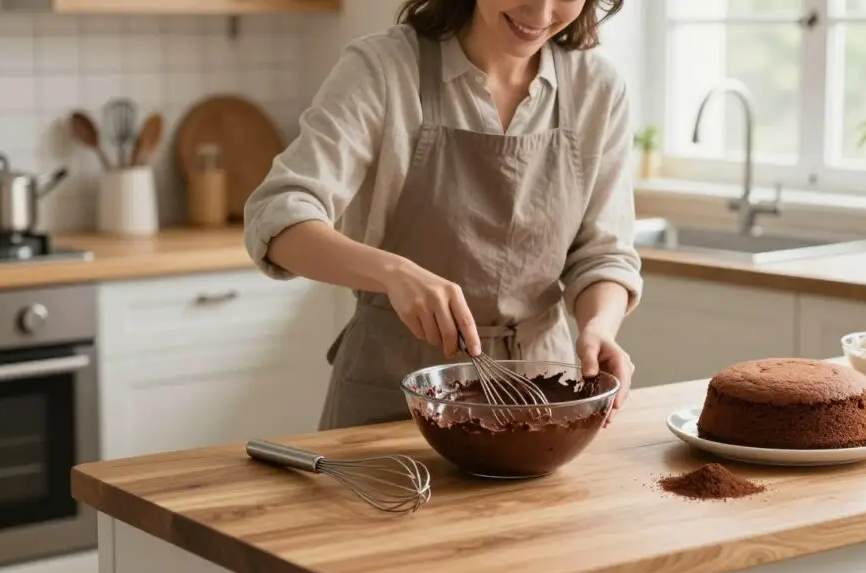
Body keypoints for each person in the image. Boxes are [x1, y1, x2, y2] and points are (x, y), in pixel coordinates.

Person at [243, 0, 643, 431]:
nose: (541, 11)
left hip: (541, 397)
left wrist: (600, 326)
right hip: (393, 390)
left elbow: (603, 256)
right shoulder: (384, 68)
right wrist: (393, 273)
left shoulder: (597, 89)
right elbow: (278, 216)